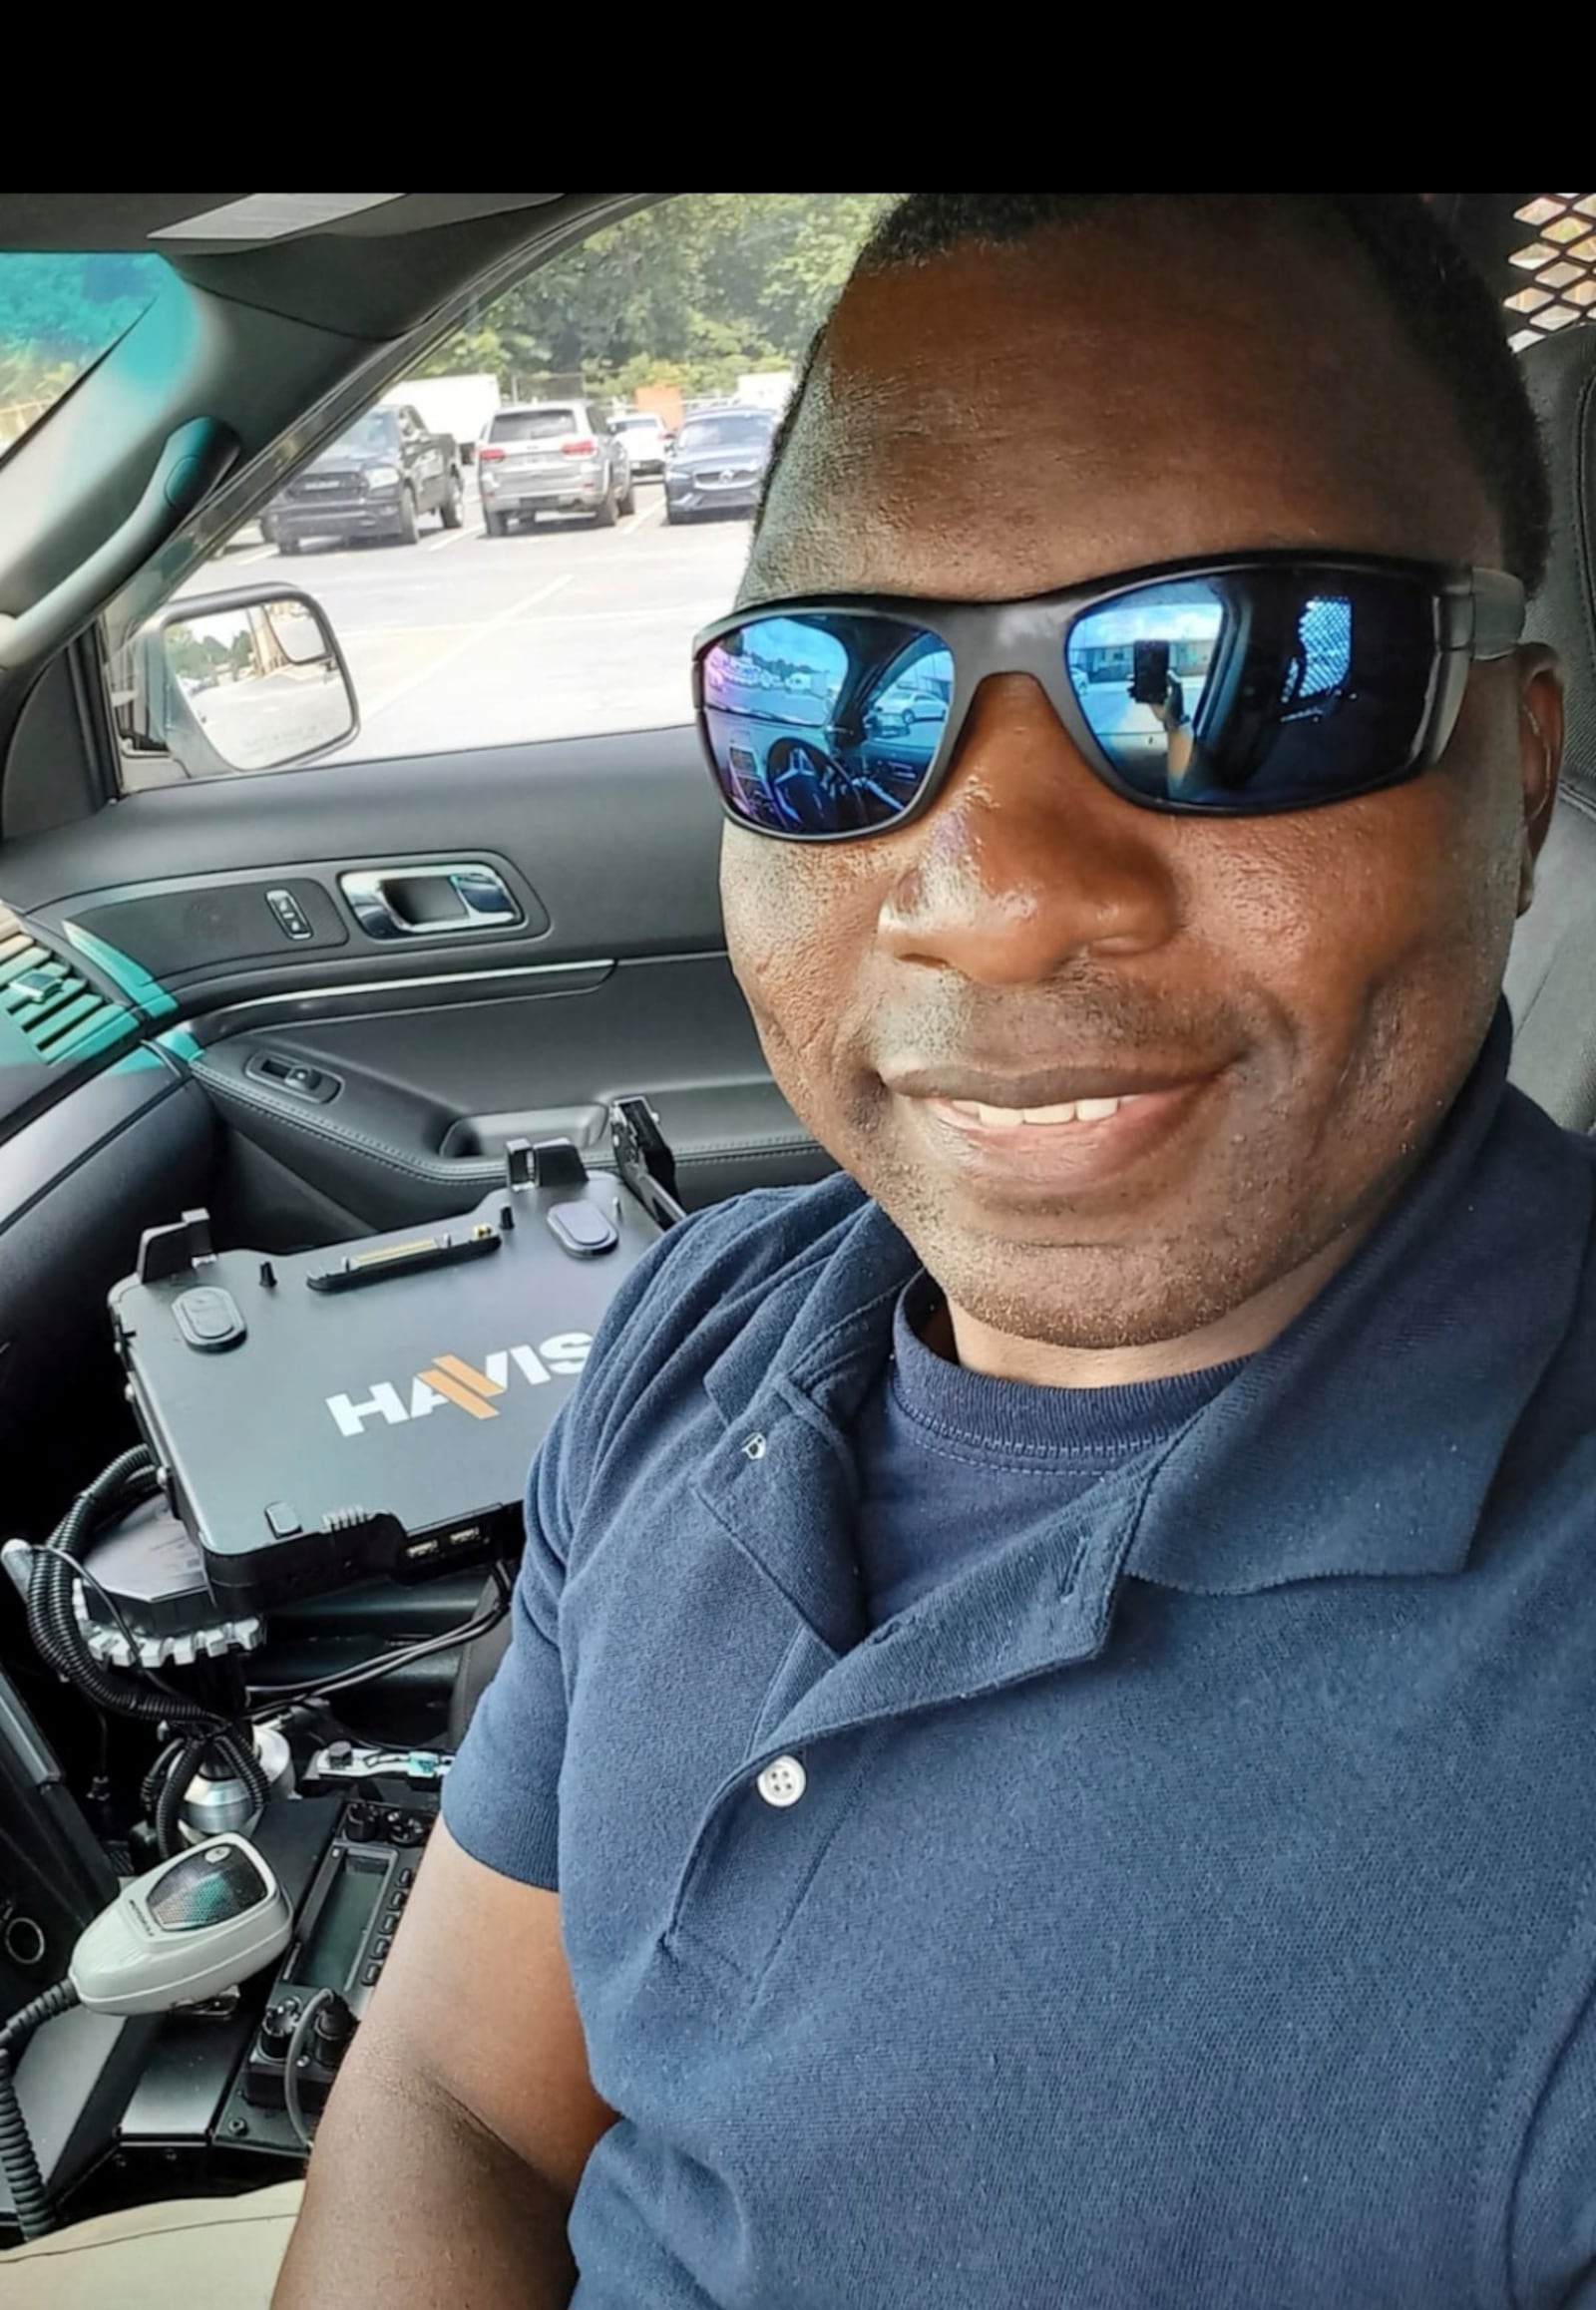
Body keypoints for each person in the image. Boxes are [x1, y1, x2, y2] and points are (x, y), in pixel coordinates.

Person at [269, 192, 1596, 2309]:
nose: (984, 892)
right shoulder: (716, 1318)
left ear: (1512, 776)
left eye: (1240, 675)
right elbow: (456, 2087)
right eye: (838, 697)